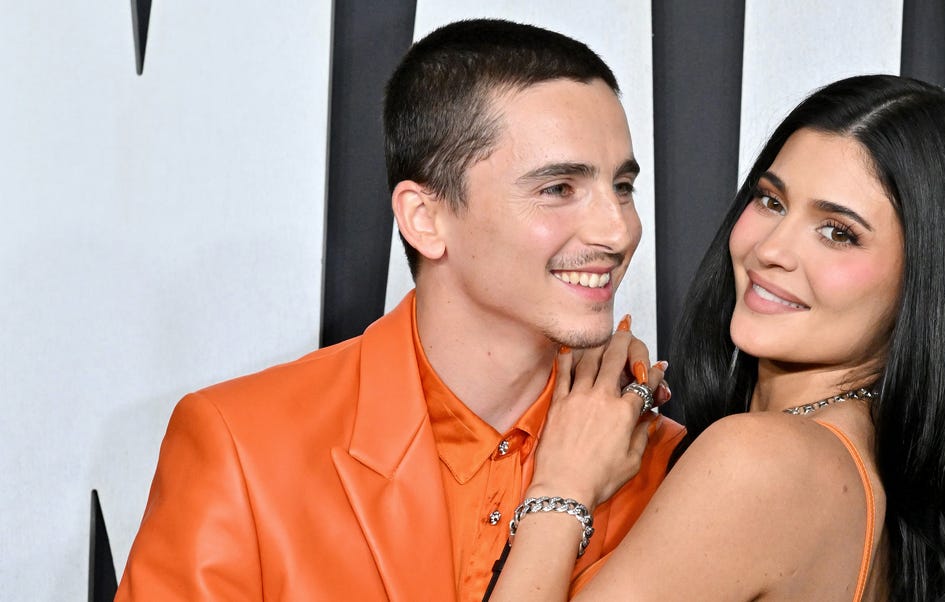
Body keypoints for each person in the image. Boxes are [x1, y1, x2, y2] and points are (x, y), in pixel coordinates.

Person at [115, 19, 683, 601]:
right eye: (557, 188)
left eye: (622, 187)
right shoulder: (243, 447)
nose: (618, 231)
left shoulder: (670, 468)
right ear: (424, 218)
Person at [490, 74, 945, 601]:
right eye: (771, 201)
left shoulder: (764, 462)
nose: (772, 249)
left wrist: (563, 485)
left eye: (838, 233)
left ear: (929, 283)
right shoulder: (866, 470)